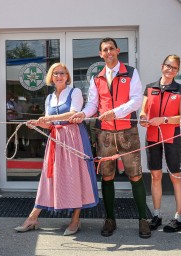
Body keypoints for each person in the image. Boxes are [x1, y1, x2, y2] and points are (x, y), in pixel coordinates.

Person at [70, 37, 151, 238]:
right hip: (104, 134)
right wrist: (83, 113)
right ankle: (109, 219)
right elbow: (93, 105)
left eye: (111, 49)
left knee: (135, 175)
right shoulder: (96, 78)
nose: (108, 52)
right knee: (107, 176)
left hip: (127, 132)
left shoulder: (130, 72)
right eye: (105, 50)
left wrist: (115, 112)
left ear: (118, 50)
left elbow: (136, 101)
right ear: (101, 54)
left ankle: (143, 219)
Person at [14, 63, 99, 236]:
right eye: (55, 73)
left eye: (62, 73)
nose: (59, 76)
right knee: (49, 177)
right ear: (51, 78)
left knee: (76, 177)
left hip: (74, 138)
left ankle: (75, 220)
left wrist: (49, 118)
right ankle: (32, 218)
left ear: (67, 76)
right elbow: (49, 123)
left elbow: (73, 113)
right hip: (56, 139)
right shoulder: (49, 98)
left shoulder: (74, 92)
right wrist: (37, 124)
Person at [139, 54, 181, 232]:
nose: (170, 70)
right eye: (168, 66)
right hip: (152, 137)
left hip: (171, 138)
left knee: (175, 177)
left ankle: (179, 218)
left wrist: (164, 120)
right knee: (155, 176)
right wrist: (143, 118)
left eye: (174, 68)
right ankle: (157, 215)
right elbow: (143, 111)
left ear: (177, 71)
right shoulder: (149, 88)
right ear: (162, 66)